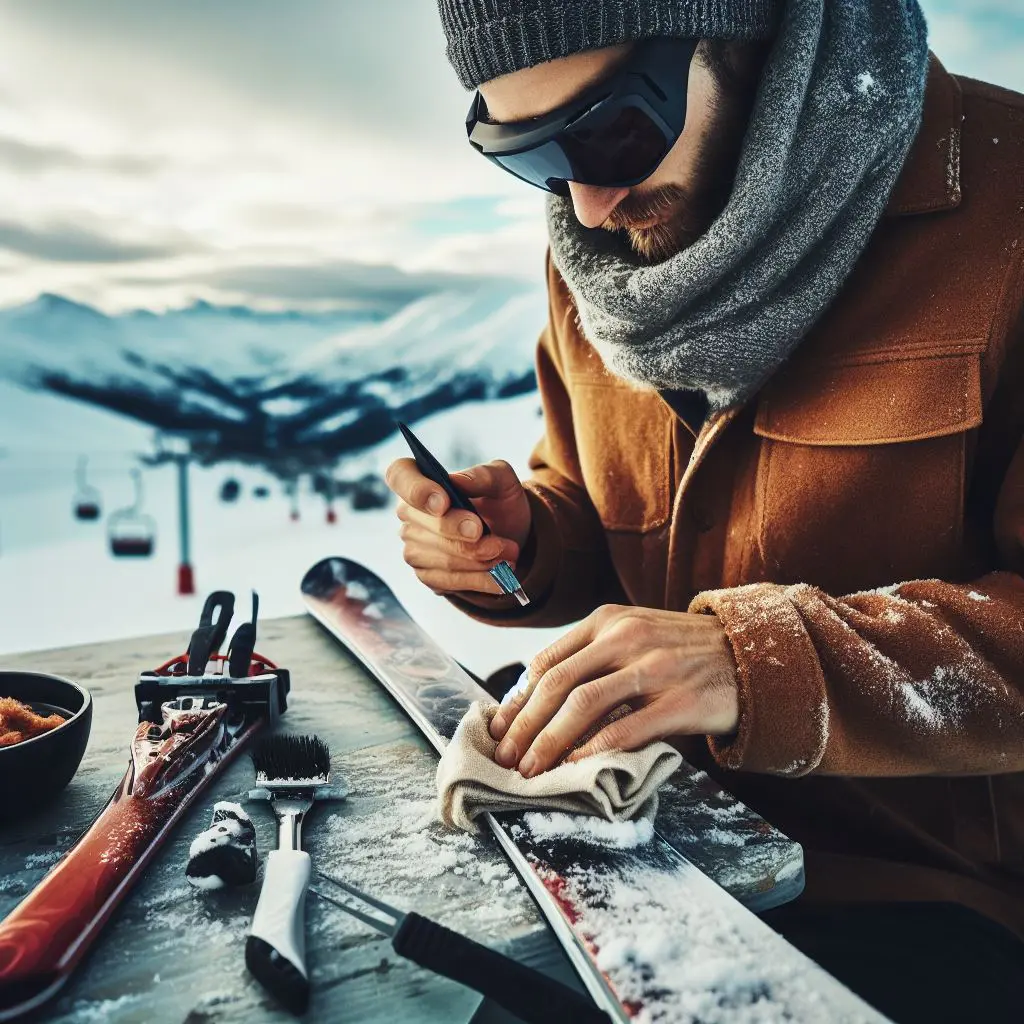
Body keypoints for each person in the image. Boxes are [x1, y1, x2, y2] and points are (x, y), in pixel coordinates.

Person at [386, 2, 1024, 1019]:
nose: (586, 203)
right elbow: (609, 520)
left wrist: (750, 662)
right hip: (650, 842)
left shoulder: (1005, 209)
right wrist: (527, 545)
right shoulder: (598, 261)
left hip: (928, 898)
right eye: (532, 157)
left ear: (747, 33)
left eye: (605, 130)